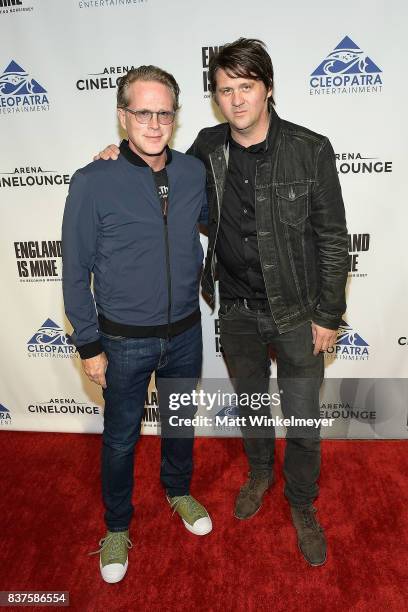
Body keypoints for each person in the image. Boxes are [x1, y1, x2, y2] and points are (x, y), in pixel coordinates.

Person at [95, 38, 348, 567]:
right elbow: (159, 175)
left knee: (302, 419)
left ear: (268, 89)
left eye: (247, 88)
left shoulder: (311, 148)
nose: (236, 100)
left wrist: (328, 315)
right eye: (225, 90)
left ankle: (302, 503)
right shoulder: (207, 149)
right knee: (253, 409)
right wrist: (114, 158)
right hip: (234, 309)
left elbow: (333, 238)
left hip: (298, 311)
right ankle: (259, 474)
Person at [62, 65, 212, 584]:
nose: (153, 123)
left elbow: (225, 224)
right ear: (123, 115)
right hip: (122, 341)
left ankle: (178, 491)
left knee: (179, 423)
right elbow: (74, 271)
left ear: (175, 115)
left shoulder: (194, 172)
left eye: (163, 112)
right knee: (121, 438)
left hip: (186, 333)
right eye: (142, 112)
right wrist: (88, 344)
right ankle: (118, 526)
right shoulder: (91, 181)